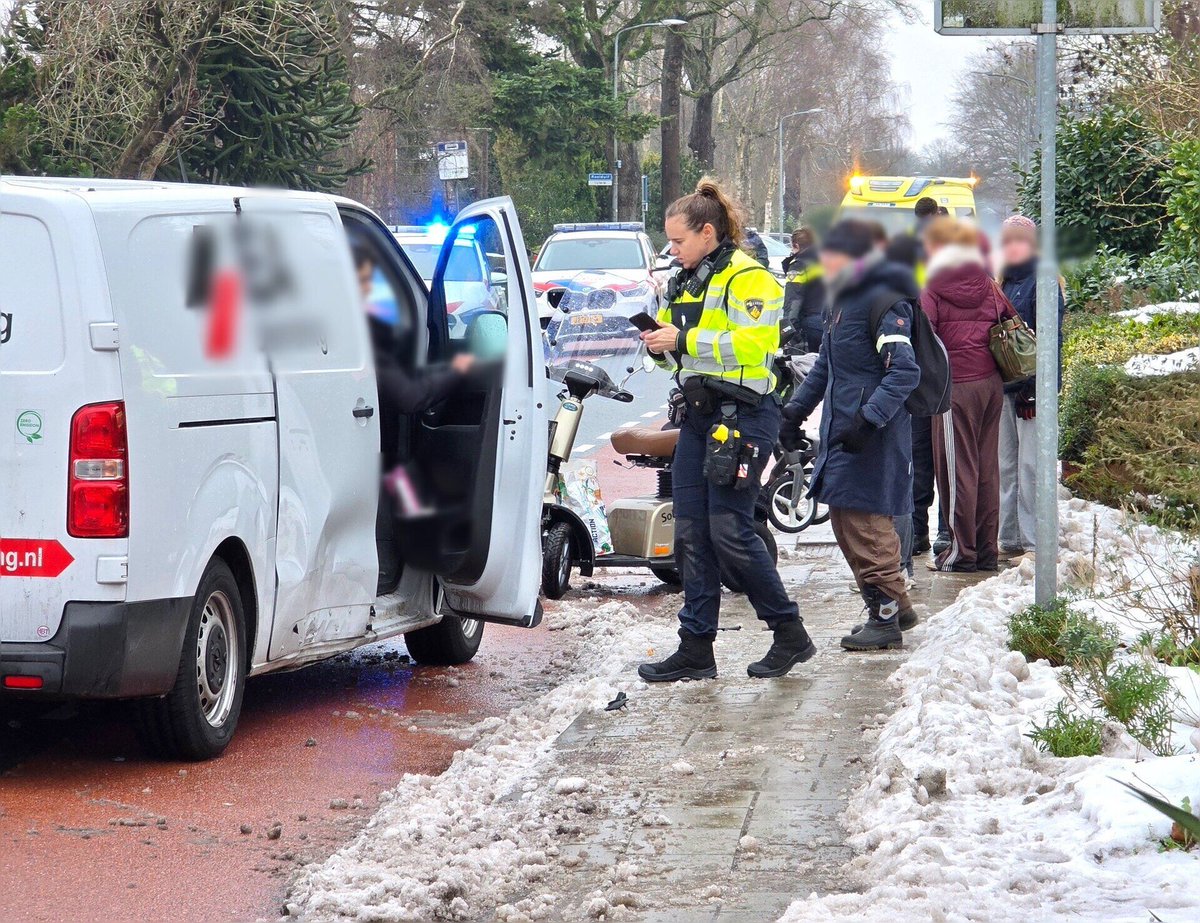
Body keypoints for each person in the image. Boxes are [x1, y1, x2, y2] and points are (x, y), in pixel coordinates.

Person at [637, 178, 815, 681]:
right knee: (691, 533)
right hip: (699, 415)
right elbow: (677, 351)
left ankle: (789, 633)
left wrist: (687, 338)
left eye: (678, 241)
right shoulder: (684, 281)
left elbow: (756, 344)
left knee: (730, 531)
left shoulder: (749, 277)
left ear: (708, 232)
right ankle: (696, 647)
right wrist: (659, 345)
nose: (672, 250)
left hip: (743, 416)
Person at [780, 219, 921, 651]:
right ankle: (895, 605)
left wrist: (868, 420)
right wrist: (794, 412)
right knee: (843, 517)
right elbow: (825, 365)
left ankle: (887, 617)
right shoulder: (842, 300)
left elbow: (904, 371)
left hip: (871, 434)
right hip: (844, 428)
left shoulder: (884, 300)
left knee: (866, 521)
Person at [920, 218, 1005, 572]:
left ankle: (961, 552)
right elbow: (1008, 321)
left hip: (955, 389)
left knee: (957, 473)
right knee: (987, 470)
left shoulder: (933, 285)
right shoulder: (988, 283)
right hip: (992, 385)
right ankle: (987, 550)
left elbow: (922, 336)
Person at [997, 214, 1065, 557]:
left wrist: (1039, 386)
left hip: (1031, 390)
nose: (1013, 246)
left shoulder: (1043, 281)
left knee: (1030, 466)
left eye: (1020, 240)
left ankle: (1035, 540)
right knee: (1006, 465)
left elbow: (1051, 340)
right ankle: (1008, 536)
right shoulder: (1004, 281)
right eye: (1007, 240)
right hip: (1006, 388)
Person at [781, 227, 825, 352]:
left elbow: (792, 302)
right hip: (831, 325)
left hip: (810, 326)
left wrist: (789, 333)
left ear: (796, 245)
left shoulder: (799, 265)